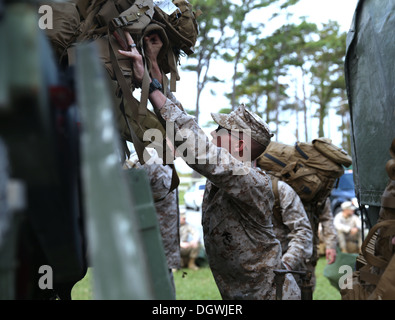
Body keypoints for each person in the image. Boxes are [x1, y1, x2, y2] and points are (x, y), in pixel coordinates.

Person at [118, 31, 301, 300]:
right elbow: (190, 133)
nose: (213, 134)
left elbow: (198, 149)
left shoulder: (250, 179)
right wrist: (154, 69)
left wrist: (149, 84)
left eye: (220, 130)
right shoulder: (226, 174)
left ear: (240, 145)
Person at [124, 148, 181, 294]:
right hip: (146, 250)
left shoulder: (166, 161)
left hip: (162, 251)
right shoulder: (148, 157)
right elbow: (117, 188)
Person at [268, 175, 313, 273]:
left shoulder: (278, 189)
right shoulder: (227, 189)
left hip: (279, 274)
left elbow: (303, 231)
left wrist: (287, 264)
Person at [303, 197, 338, 289]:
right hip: (284, 250)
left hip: (308, 251)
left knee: (307, 286)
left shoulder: (317, 191)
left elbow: (327, 218)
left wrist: (331, 245)